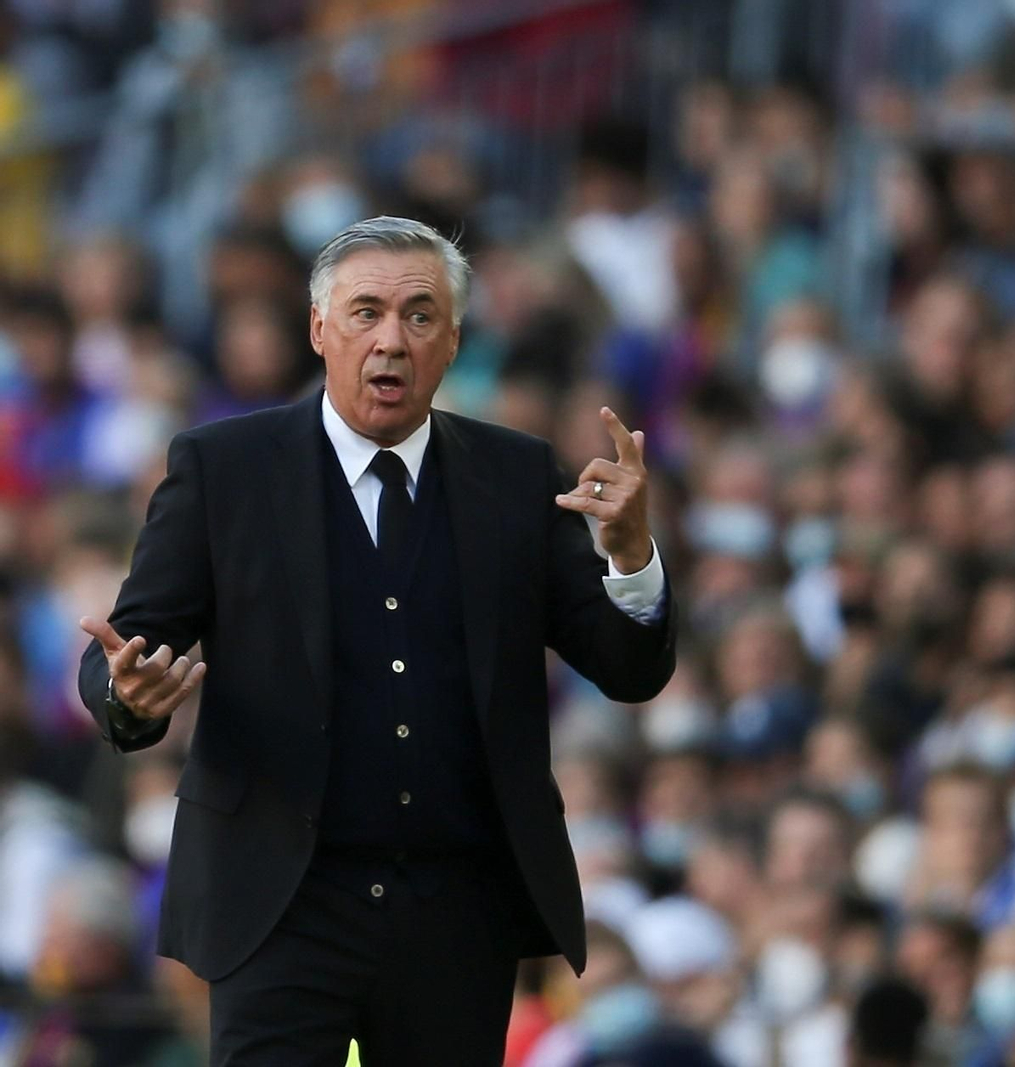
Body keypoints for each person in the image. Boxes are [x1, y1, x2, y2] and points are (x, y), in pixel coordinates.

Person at [74, 216, 678, 1065]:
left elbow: (628, 668)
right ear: (319, 329)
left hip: (458, 912)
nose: (392, 339)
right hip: (279, 904)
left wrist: (632, 556)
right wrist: (126, 693)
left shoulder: (515, 476)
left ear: (454, 340)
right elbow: (128, 644)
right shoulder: (224, 468)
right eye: (366, 312)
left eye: (420, 315)